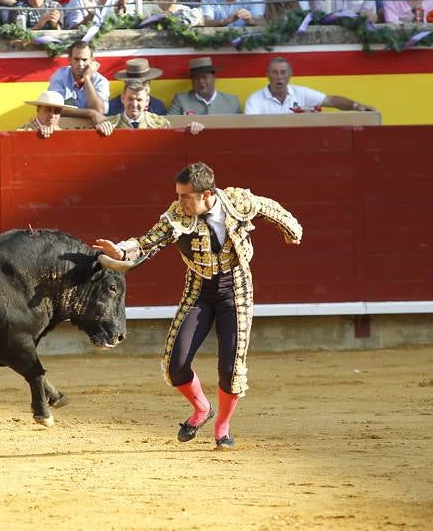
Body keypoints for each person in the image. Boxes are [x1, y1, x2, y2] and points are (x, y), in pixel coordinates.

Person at [93, 161, 303, 449]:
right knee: (175, 365)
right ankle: (202, 409)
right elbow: (148, 241)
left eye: (185, 196)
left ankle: (223, 428)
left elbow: (269, 207)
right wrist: (122, 250)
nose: (180, 202)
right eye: (179, 195)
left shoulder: (237, 202)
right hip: (198, 290)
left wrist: (292, 230)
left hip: (237, 289)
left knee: (231, 368)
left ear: (207, 194)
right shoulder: (177, 216)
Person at [244, 56, 376, 114]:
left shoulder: (300, 93)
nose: (279, 76)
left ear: (290, 75)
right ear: (267, 75)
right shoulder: (254, 100)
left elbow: (331, 100)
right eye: (275, 72)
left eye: (283, 72)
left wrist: (356, 106)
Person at [96, 80, 204, 135]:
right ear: (122, 98)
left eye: (139, 100)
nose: (134, 104)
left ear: (147, 101)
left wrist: (192, 128)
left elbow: (173, 144)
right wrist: (99, 132)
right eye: (130, 99)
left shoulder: (160, 124)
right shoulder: (110, 124)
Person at [47, 40, 109, 123]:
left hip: (92, 129)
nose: (80, 64)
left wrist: (87, 78)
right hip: (64, 127)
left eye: (84, 60)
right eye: (76, 59)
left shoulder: (100, 81)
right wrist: (90, 113)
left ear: (92, 60)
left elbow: (99, 110)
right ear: (69, 59)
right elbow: (54, 109)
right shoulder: (59, 77)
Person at [168, 56, 241, 115]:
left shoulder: (232, 101)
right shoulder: (181, 100)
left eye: (204, 77)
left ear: (214, 78)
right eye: (196, 78)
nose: (201, 81)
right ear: (192, 81)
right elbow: (169, 125)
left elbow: (239, 129)